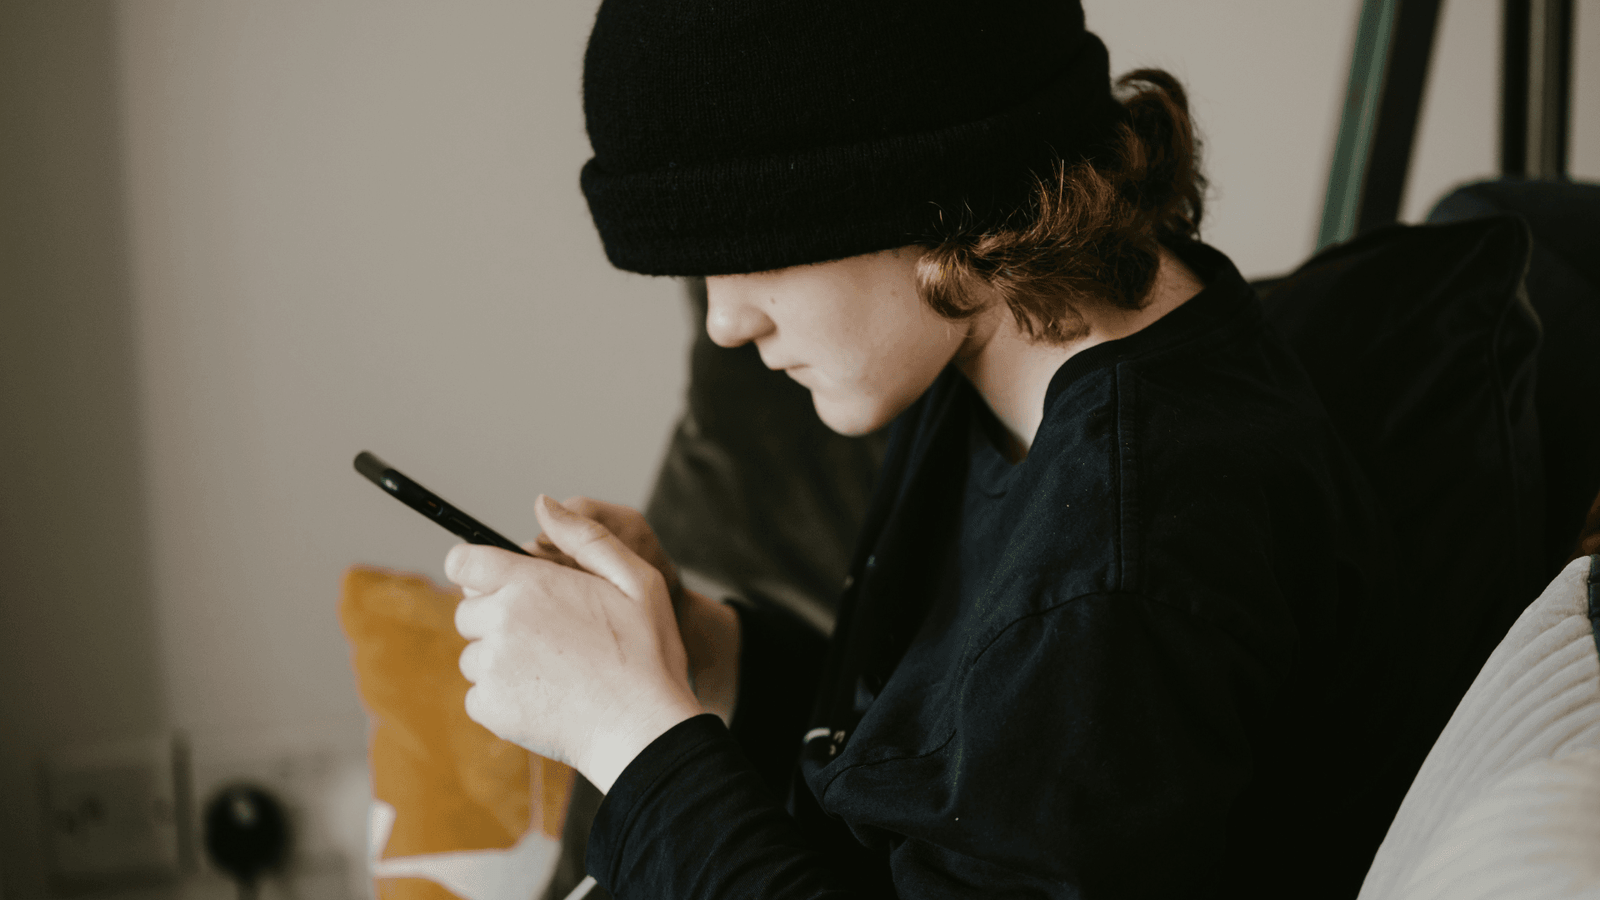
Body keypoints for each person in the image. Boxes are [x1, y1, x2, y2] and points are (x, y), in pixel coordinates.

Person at [445, 2, 1415, 897]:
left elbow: (1057, 678)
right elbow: (962, 775)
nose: (726, 323)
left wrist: (632, 738)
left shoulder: (1129, 565)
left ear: (918, 179)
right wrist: (701, 651)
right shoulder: (1016, 370)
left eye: (751, 248)